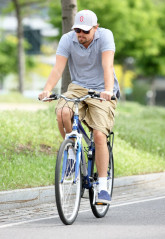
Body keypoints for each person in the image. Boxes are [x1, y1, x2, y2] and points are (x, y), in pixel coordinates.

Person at [39, 9, 120, 204]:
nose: (80, 35)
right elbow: (58, 68)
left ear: (95, 28)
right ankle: (72, 154)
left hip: (102, 89)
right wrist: (47, 90)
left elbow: (107, 66)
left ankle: (102, 187)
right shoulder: (67, 39)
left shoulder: (106, 36)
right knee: (62, 111)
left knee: (99, 134)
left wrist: (108, 91)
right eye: (78, 31)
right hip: (77, 87)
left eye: (85, 31)